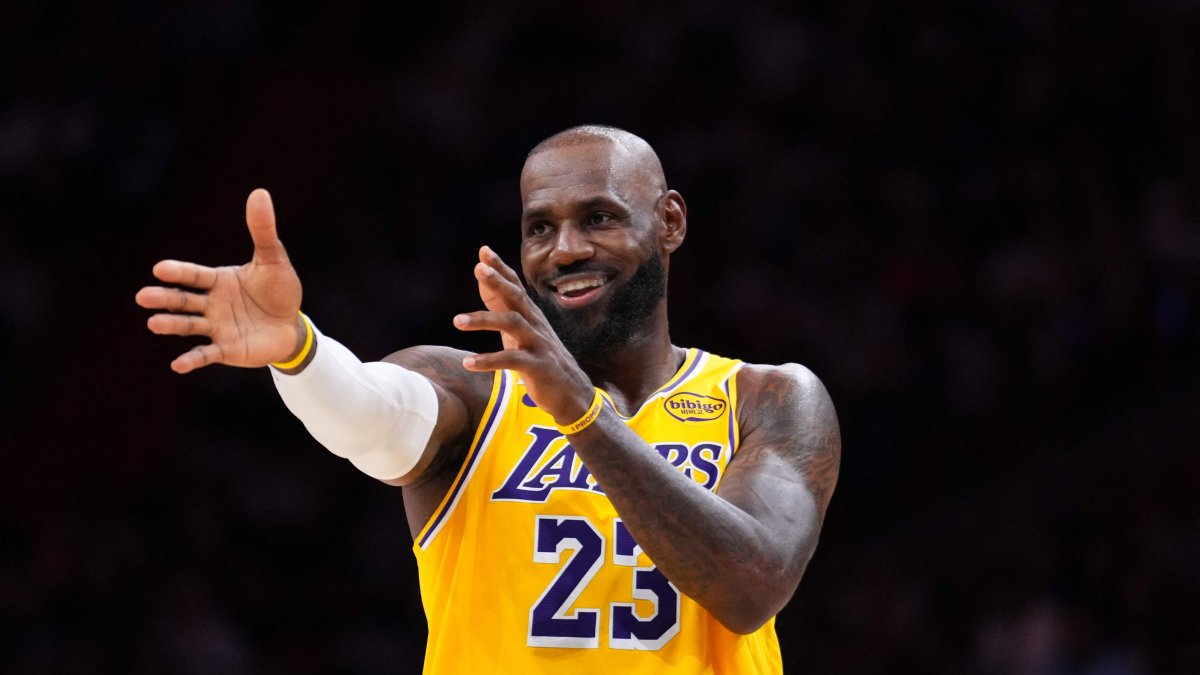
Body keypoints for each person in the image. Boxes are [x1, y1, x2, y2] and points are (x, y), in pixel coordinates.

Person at [136, 125, 841, 674]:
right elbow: (372, 415)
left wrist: (580, 412)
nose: (563, 250)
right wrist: (300, 353)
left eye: (598, 217)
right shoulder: (475, 389)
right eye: (540, 227)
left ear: (670, 222)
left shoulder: (767, 397)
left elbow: (753, 583)